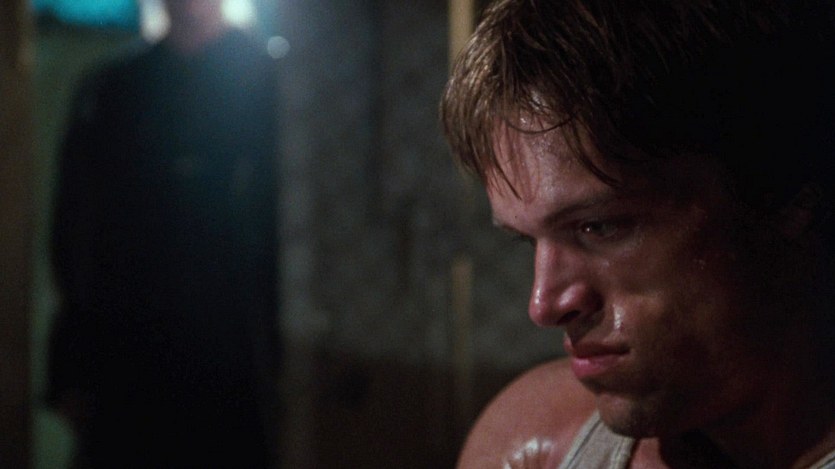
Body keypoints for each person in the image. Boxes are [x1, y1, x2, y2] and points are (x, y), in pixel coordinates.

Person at [441, 0, 835, 467]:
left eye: (600, 226)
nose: (544, 306)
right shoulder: (536, 441)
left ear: (784, 192)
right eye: (528, 240)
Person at [47, 1, 280, 467]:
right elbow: (75, 231)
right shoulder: (113, 88)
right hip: (129, 354)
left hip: (236, 355)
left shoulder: (270, 84)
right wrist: (71, 366)